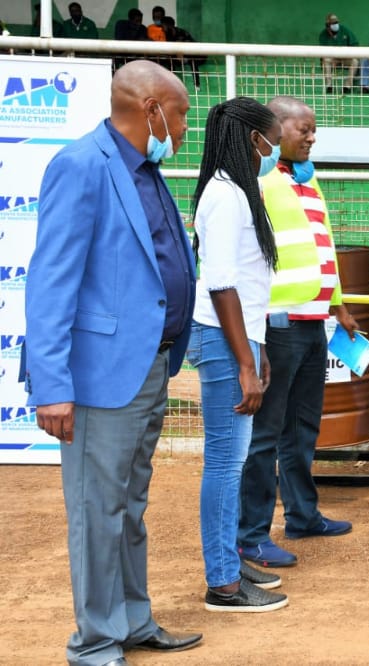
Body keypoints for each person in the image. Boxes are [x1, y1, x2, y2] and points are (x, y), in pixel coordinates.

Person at [23, 60, 202, 664]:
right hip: (99, 379)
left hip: (151, 367)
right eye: (179, 115)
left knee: (129, 506)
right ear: (151, 107)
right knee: (97, 511)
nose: (182, 129)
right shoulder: (80, 166)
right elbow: (51, 284)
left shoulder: (146, 171)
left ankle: (131, 619)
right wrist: (52, 387)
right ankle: (96, 641)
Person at [238, 96, 359, 568]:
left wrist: (339, 305)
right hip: (278, 325)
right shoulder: (258, 181)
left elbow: (321, 247)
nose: (312, 136)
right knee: (265, 434)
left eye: (314, 130)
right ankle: (251, 534)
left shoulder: (308, 182)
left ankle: (303, 516)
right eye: (304, 128)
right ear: (274, 129)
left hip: (314, 325)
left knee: (303, 427)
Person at [188, 97, 290, 613]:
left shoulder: (236, 192)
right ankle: (223, 584)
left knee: (234, 459)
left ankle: (229, 561)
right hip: (225, 342)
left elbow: (249, 284)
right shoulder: (226, 196)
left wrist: (260, 346)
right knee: (226, 464)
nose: (276, 148)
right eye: (272, 138)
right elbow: (222, 283)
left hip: (241, 339)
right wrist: (245, 363)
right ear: (255, 139)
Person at [318, 12, 359, 95]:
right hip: (333, 60)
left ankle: (347, 86)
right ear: (328, 25)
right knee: (326, 60)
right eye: (333, 23)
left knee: (355, 61)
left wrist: (348, 53)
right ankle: (329, 86)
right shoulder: (323, 35)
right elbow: (322, 53)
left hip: (345, 58)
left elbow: (355, 44)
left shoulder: (345, 30)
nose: (335, 25)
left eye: (336, 22)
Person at [162, 15, 205, 90]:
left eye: (163, 25)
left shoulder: (180, 32)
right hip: (181, 55)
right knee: (169, 61)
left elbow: (181, 46)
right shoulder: (168, 33)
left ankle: (197, 85)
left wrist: (181, 57)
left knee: (193, 61)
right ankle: (172, 85)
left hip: (195, 55)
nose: (162, 28)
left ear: (168, 25)